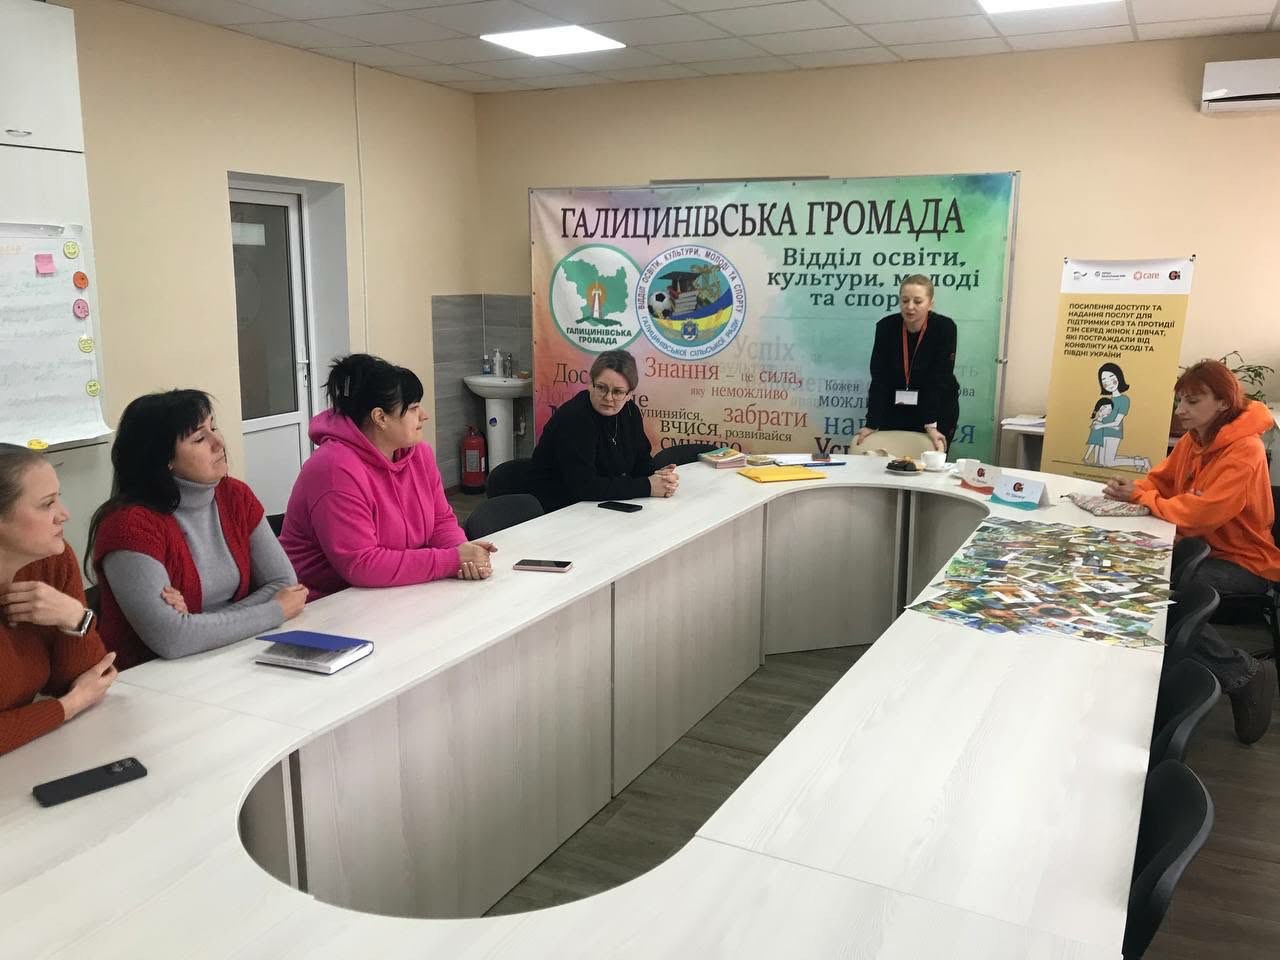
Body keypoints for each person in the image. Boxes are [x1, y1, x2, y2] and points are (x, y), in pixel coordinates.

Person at [1104, 359, 1279, 743]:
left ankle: (1244, 675)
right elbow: (1162, 482)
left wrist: (1144, 498)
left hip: (1242, 561)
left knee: (1160, 603)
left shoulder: (1245, 450)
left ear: (1223, 402)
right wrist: (1134, 489)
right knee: (1135, 587)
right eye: (1180, 400)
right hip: (1198, 549)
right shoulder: (1194, 439)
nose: (1181, 410)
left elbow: (1201, 515)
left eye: (1192, 401)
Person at [88, 391, 306, 670]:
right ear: (164, 459)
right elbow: (173, 639)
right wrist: (273, 611)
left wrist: (196, 623)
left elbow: (285, 585)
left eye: (214, 428)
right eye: (199, 438)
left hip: (228, 657)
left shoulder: (235, 496)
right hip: (148, 677)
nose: (219, 443)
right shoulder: (129, 525)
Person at [282, 354, 495, 599]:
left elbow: (440, 521)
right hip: (325, 604)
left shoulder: (418, 453)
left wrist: (463, 552)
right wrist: (450, 560)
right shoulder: (333, 469)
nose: (424, 415)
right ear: (380, 418)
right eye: (413, 408)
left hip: (393, 592)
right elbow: (362, 564)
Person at [1, 444, 116, 756]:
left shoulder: (53, 560)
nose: (64, 514)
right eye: (47, 504)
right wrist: (70, 705)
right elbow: (80, 694)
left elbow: (91, 679)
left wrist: (75, 619)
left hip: (27, 754)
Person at [529, 349, 677, 512]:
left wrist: (659, 477)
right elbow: (584, 486)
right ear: (590, 384)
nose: (608, 398)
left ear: (629, 394)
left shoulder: (630, 411)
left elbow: (641, 460)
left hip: (597, 506)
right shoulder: (574, 417)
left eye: (618, 392)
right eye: (601, 388)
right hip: (558, 510)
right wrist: (647, 486)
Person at [856, 275, 959, 453]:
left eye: (917, 301)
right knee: (892, 460)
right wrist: (872, 423)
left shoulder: (944, 328)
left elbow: (939, 378)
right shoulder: (886, 327)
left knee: (929, 461)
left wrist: (931, 424)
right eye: (905, 300)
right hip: (896, 405)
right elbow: (879, 378)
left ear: (930, 304)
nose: (910, 307)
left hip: (937, 406)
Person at [1093, 362, 1150, 471]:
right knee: (1103, 462)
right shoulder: (1110, 400)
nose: (1109, 383)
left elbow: (1117, 422)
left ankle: (1142, 462)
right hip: (1104, 432)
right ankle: (1136, 460)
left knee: (1108, 463)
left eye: (1111, 378)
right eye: (1104, 380)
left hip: (1114, 433)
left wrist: (1100, 426)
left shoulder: (1124, 400)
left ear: (1119, 377)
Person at [1083, 397, 1113, 465]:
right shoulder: (1097, 421)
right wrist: (1102, 425)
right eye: (1106, 409)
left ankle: (1095, 461)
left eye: (1110, 410)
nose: (1108, 412)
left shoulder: (1102, 421)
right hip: (1095, 436)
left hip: (1099, 436)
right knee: (1092, 447)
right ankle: (1085, 458)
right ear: (1100, 409)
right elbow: (1094, 425)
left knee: (1097, 447)